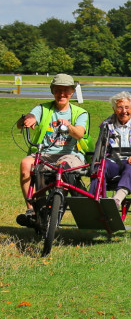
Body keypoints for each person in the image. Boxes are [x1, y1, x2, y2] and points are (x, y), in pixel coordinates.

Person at [16, 74, 90, 226]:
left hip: (70, 154)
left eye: (66, 91)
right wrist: (27, 119)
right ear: (52, 91)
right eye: (58, 90)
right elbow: (31, 116)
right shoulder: (42, 108)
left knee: (61, 168)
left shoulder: (80, 113)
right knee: (25, 164)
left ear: (72, 92)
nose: (62, 94)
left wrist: (68, 126)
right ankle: (32, 211)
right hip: (44, 153)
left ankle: (56, 210)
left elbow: (80, 133)